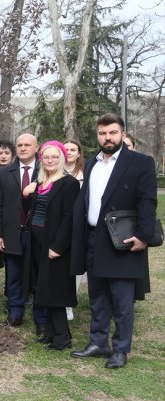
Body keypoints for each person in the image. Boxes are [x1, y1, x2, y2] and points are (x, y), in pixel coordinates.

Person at [71, 113, 157, 369]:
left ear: (122, 134)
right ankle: (98, 343)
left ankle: (120, 349)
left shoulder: (140, 162)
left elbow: (147, 201)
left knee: (122, 299)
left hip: (123, 239)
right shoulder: (92, 163)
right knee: (98, 295)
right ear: (97, 135)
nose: (107, 138)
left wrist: (143, 235)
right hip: (95, 237)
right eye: (102, 133)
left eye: (112, 133)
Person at [22, 141, 80, 350]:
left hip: (54, 245)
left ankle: (62, 338)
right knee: (41, 289)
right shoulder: (41, 183)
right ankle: (49, 332)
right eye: (46, 157)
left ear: (62, 158)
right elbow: (31, 211)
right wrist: (27, 195)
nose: (50, 160)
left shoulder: (68, 183)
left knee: (55, 291)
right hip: (37, 242)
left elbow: (68, 218)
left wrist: (58, 246)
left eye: (55, 157)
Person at [0, 133, 41, 328]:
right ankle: (15, 314)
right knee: (13, 275)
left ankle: (42, 318)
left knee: (37, 276)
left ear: (36, 148)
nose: (22, 148)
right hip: (13, 233)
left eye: (27, 145)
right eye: (19, 145)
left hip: (37, 234)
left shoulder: (45, 170)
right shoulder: (5, 173)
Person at [64, 138, 85, 321]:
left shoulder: (86, 173)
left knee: (76, 264)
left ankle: (70, 302)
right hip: (59, 223)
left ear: (79, 153)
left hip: (78, 224)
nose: (69, 152)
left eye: (73, 149)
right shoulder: (53, 169)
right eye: (66, 149)